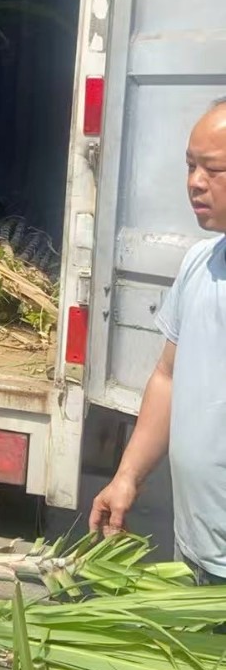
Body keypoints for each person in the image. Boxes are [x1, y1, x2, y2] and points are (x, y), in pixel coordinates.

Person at [89, 100, 226, 582]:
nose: (195, 182)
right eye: (190, 166)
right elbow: (168, 377)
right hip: (195, 548)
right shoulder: (200, 264)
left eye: (213, 170)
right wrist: (127, 477)